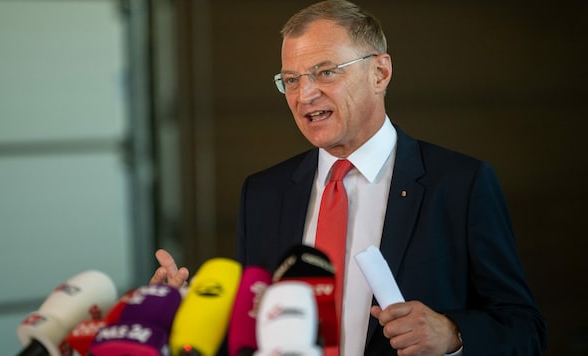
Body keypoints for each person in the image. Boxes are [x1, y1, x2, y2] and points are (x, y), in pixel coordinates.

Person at [151, 0, 547, 354]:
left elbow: (523, 328)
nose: (304, 94)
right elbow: (254, 330)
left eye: (325, 72)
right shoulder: (263, 193)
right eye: (291, 79)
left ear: (380, 72)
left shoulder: (461, 184)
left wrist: (453, 334)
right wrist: (193, 313)